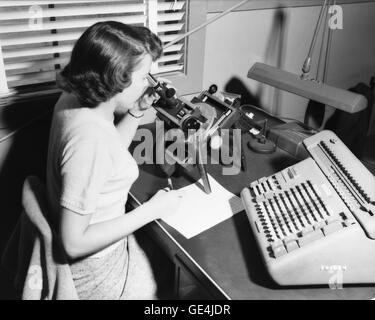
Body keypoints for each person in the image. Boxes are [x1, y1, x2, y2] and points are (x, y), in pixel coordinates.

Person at [46, 21, 184, 300]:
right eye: (145, 75)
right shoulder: (89, 140)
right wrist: (152, 210)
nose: (150, 81)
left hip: (99, 254)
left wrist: (137, 109)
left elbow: (107, 156)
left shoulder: (73, 99)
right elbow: (73, 242)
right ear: (118, 78)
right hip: (96, 274)